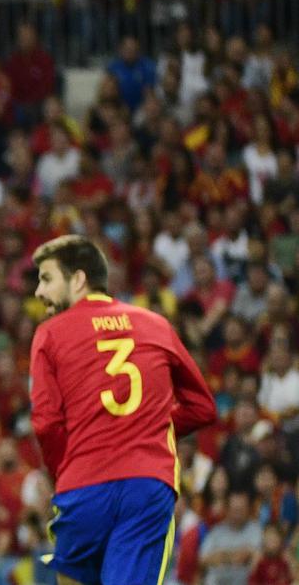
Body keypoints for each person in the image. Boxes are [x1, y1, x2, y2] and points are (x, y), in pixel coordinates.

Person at [29, 235, 217, 585]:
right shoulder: (156, 325)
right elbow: (203, 407)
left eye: (47, 279)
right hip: (146, 486)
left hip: (83, 486)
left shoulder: (50, 334)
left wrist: (64, 472)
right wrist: (141, 426)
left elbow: (45, 424)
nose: (39, 292)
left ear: (79, 279)